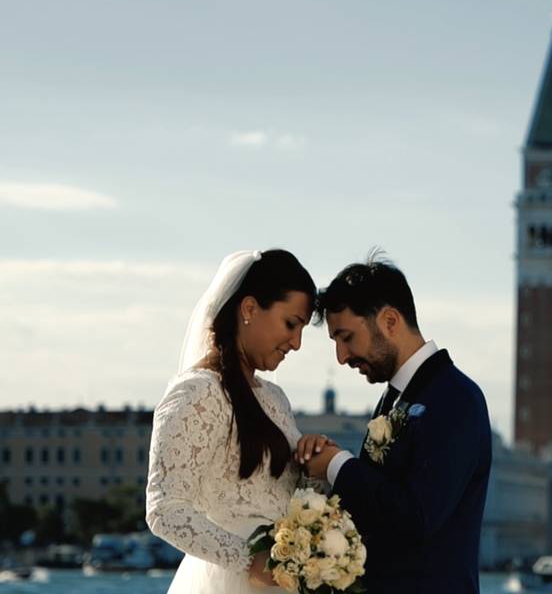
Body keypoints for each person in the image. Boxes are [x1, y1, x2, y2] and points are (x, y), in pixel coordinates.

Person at [299, 256, 492, 594]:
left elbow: (416, 518)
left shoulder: (455, 398)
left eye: (346, 337)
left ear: (389, 320)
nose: (341, 357)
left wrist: (337, 464)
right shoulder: (395, 398)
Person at [146, 249, 316, 594]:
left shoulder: (275, 398)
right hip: (231, 581)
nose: (296, 343)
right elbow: (164, 509)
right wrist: (247, 560)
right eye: (291, 324)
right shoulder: (197, 392)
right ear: (249, 309)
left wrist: (314, 464)